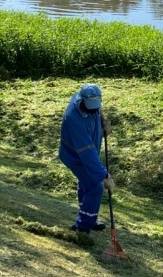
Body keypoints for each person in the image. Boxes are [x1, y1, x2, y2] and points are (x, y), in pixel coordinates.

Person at [59, 84, 115, 234]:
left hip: (88, 150)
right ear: (82, 100)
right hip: (75, 156)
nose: (93, 109)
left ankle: (87, 216)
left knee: (87, 184)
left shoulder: (87, 99)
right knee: (95, 186)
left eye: (95, 105)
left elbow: (97, 110)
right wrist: (105, 176)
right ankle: (82, 227)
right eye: (90, 106)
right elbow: (87, 154)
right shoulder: (74, 119)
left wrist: (104, 122)